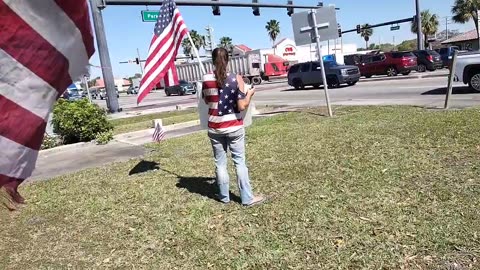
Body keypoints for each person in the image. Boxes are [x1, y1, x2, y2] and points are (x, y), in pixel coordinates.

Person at [202, 47, 265, 206]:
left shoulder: (206, 78)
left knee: (220, 163)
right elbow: (242, 105)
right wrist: (249, 94)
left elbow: (206, 100)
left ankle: (224, 196)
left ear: (213, 60)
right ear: (228, 60)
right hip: (234, 127)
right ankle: (247, 198)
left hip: (214, 126)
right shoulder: (236, 79)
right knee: (239, 162)